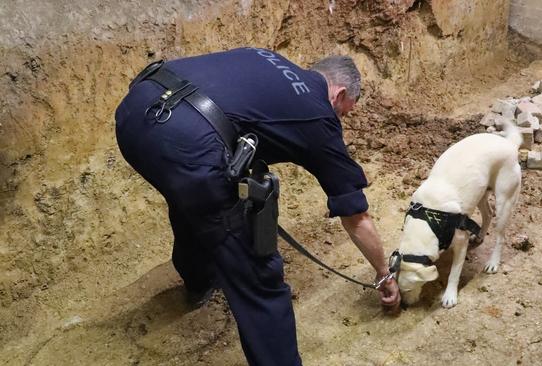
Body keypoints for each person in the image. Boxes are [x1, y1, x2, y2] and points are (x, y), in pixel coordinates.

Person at [115, 47, 400, 365]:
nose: (341, 121)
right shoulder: (319, 113)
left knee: (195, 203)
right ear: (340, 93)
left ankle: (198, 282)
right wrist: (383, 274)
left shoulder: (266, 57)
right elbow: (355, 215)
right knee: (258, 273)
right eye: (345, 112)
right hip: (187, 141)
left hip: (136, 112)